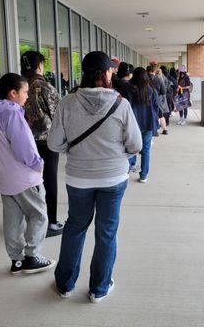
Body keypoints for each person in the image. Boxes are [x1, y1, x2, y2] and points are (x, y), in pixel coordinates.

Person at [47, 51, 142, 303]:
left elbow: (54, 143)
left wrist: (72, 148)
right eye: (110, 70)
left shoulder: (67, 103)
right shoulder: (121, 104)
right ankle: (99, 288)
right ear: (104, 73)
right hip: (113, 178)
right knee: (106, 232)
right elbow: (135, 144)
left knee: (75, 228)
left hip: (78, 179)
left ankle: (65, 284)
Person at [0, 73, 55, 275]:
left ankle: (16, 261)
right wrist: (38, 163)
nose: (27, 96)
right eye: (24, 92)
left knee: (13, 220)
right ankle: (32, 257)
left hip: (6, 178)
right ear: (13, 93)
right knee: (39, 215)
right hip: (24, 177)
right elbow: (23, 148)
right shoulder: (13, 113)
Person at [20, 51, 63, 238]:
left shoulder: (19, 85)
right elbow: (59, 113)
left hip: (24, 141)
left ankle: (32, 220)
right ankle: (50, 222)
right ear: (39, 66)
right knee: (49, 180)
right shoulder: (43, 86)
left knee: (29, 182)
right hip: (46, 141)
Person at [128, 67, 159, 183]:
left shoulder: (130, 90)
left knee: (131, 148)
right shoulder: (151, 90)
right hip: (148, 123)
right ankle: (144, 176)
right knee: (146, 150)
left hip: (133, 123)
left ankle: (129, 169)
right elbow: (156, 107)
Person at [147, 63, 168, 135]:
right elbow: (163, 91)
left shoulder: (145, 78)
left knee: (150, 114)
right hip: (157, 99)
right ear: (155, 70)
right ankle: (164, 130)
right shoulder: (159, 79)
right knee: (160, 114)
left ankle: (155, 130)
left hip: (147, 99)